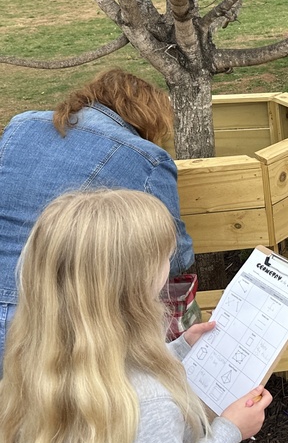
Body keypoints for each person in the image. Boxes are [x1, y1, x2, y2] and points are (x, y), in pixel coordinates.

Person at [0, 189, 271, 443]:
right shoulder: (148, 407)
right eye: (162, 260)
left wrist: (180, 348)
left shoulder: (42, 362)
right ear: (132, 285)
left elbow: (118, 369)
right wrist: (228, 432)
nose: (168, 267)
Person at [0, 68, 193, 366]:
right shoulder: (148, 157)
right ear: (147, 116)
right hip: (56, 320)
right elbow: (175, 255)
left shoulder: (20, 125)